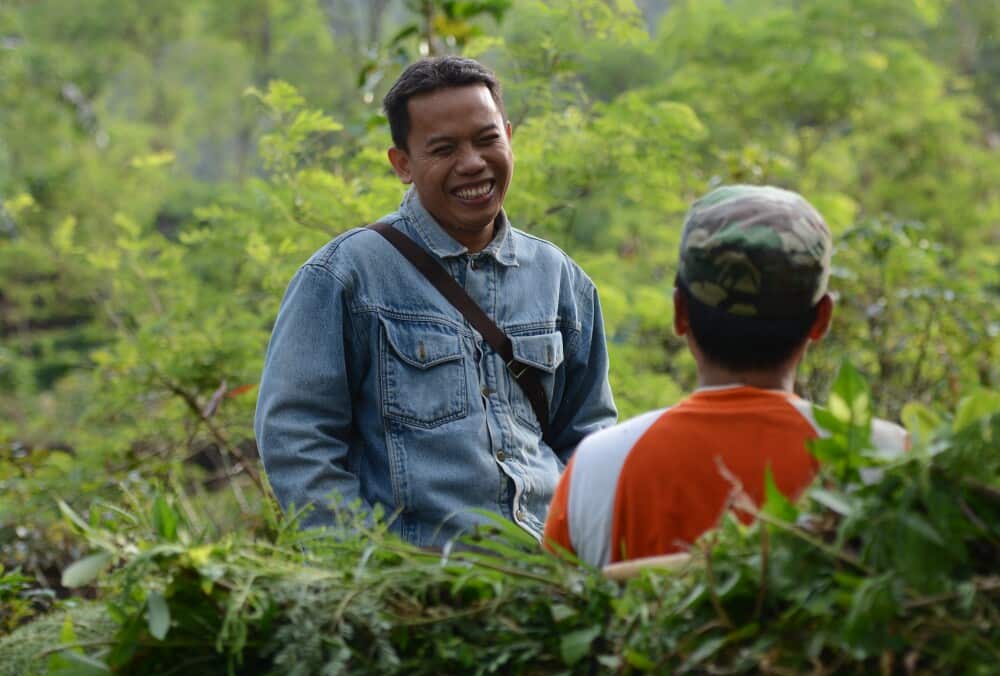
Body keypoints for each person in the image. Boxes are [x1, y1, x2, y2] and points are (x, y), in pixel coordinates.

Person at [254, 56, 616, 546]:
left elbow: (589, 441)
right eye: (443, 149)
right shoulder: (343, 277)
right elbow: (296, 441)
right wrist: (372, 569)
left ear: (509, 135)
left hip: (548, 584)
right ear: (402, 164)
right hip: (420, 589)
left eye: (487, 139)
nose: (472, 163)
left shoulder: (561, 280)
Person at [543, 185, 908, 567]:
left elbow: (554, 611)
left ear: (679, 312)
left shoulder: (599, 468)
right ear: (822, 319)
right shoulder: (883, 460)